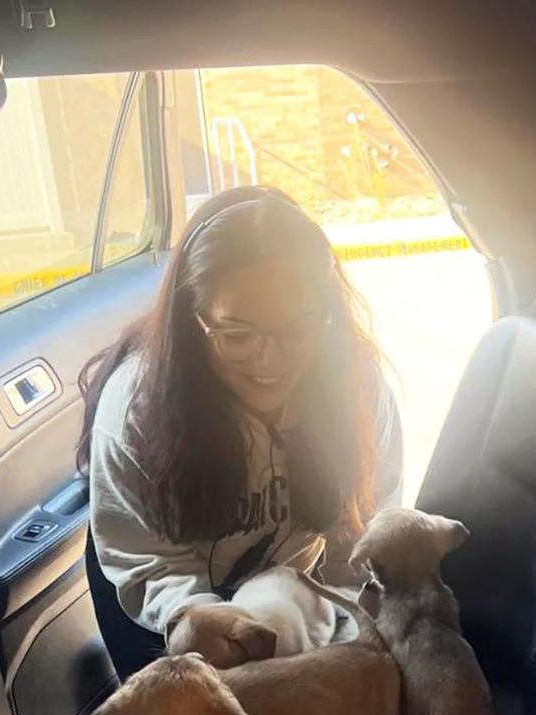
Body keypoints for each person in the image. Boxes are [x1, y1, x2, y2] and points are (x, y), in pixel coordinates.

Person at [78, 187, 403, 678]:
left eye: (296, 331)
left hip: (288, 587)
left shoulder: (357, 388)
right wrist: (197, 621)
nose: (268, 362)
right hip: (161, 596)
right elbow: (146, 561)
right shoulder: (136, 408)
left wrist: (341, 630)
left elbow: (364, 531)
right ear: (193, 320)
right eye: (237, 335)